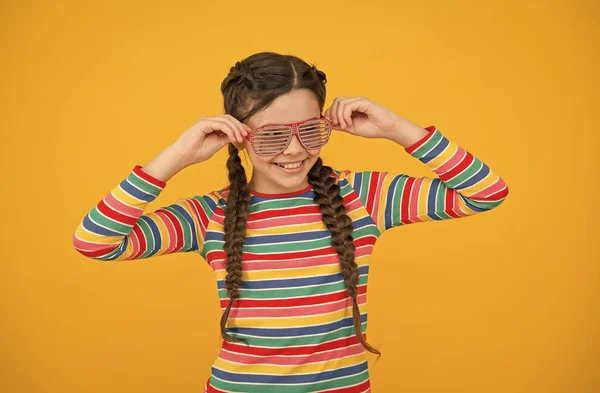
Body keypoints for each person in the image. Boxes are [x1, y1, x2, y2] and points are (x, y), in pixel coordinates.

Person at [73, 51, 509, 393]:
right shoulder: (209, 215)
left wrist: (397, 128)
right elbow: (95, 242)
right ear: (238, 135)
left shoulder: (364, 197)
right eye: (273, 134)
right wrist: (176, 157)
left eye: (310, 131)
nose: (295, 149)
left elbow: (486, 193)